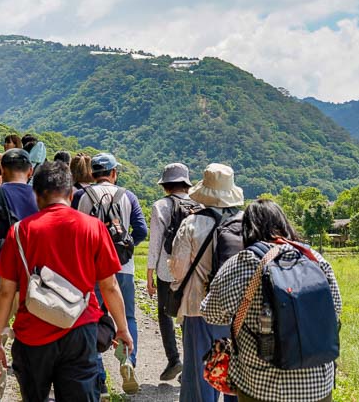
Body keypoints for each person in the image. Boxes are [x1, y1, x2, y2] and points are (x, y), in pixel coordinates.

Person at [0, 161, 135, 401]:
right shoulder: (94, 228)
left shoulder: (20, 231)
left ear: (36, 195)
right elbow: (109, 286)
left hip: (32, 332)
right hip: (80, 329)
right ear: (71, 193)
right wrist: (122, 328)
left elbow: (5, 291)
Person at [201, 200, 343, 402]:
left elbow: (211, 313)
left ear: (248, 229)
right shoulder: (315, 259)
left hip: (261, 384)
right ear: (284, 224)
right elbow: (335, 309)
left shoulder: (244, 262)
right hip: (317, 386)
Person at [170, 163, 243, 402]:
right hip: (236, 310)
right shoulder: (244, 222)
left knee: (200, 373)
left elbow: (178, 270)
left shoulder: (191, 223)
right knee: (235, 374)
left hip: (198, 307)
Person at [77, 152, 148, 395]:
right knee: (127, 318)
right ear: (114, 173)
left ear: (92, 174)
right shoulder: (128, 196)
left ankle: (100, 378)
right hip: (123, 268)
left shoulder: (80, 196)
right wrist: (126, 248)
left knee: (93, 318)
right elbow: (141, 229)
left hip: (91, 270)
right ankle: (128, 360)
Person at [0, 148, 40, 402]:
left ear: (2, 172)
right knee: (34, 340)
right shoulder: (40, 195)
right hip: (34, 283)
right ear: (30, 171)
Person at [147, 163, 193, 381]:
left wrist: (149, 273)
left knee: (165, 314)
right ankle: (191, 365)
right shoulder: (198, 204)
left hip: (167, 270)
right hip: (192, 271)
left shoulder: (160, 206)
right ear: (186, 183)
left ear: (165, 184)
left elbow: (155, 242)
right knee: (189, 315)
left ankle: (174, 359)